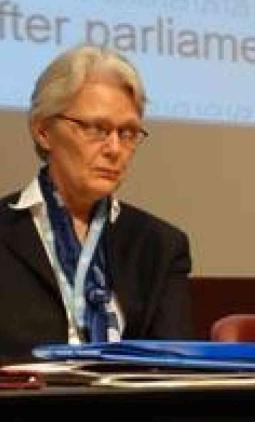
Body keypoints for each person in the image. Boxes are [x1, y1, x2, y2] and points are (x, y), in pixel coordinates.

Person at [0, 45, 193, 362]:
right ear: (43, 131)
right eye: (96, 129)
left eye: (128, 132)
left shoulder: (160, 246)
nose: (114, 149)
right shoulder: (7, 231)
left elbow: (176, 367)